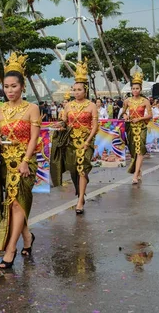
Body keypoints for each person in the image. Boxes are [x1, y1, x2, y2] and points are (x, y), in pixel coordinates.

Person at [0, 52, 40, 270]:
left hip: (25, 162)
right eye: (6, 87)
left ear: (22, 86)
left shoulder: (32, 108)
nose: (10, 91)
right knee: (11, 205)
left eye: (14, 86)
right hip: (5, 163)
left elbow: (35, 138)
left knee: (18, 203)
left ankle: (11, 249)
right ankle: (28, 239)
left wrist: (25, 161)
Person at [58, 61, 98, 214]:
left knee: (82, 169)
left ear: (85, 90)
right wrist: (60, 126)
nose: (76, 92)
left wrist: (88, 141)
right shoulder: (68, 106)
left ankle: (80, 200)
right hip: (71, 142)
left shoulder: (91, 105)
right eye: (74, 90)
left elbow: (95, 126)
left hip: (86, 141)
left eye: (79, 90)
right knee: (73, 169)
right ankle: (81, 188)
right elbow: (65, 122)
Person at [123, 71, 152, 184]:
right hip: (131, 127)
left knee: (140, 150)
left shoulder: (145, 101)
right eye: (133, 88)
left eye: (137, 88)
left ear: (141, 89)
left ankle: (135, 175)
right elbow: (123, 112)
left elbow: (150, 115)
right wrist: (125, 116)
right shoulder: (127, 101)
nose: (135, 90)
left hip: (141, 127)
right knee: (133, 151)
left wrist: (139, 119)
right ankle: (138, 169)